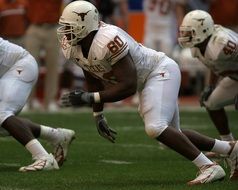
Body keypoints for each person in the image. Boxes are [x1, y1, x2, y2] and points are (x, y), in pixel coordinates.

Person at [57, 1, 238, 185]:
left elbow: (128, 85)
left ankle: (209, 167)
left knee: (156, 127)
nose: (64, 32)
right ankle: (231, 149)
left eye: (69, 27)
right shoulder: (75, 46)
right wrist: (98, 113)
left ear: (85, 26)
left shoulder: (107, 40)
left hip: (159, 71)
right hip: (148, 79)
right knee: (173, 134)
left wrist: (89, 98)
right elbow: (92, 76)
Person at [0, 37, 75, 171]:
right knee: (3, 122)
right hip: (10, 71)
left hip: (20, 65)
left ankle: (43, 158)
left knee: (2, 113)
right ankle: (57, 136)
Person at [178, 10, 238, 142]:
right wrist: (210, 85)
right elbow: (213, 65)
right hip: (234, 78)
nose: (185, 35)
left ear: (203, 30)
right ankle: (228, 144)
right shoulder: (198, 46)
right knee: (211, 102)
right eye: (184, 32)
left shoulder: (222, 43)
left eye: (189, 32)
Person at [25, 0, 63, 112]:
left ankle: (50, 101)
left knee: (53, 67)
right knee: (29, 66)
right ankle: (27, 100)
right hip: (34, 27)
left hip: (53, 28)